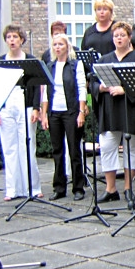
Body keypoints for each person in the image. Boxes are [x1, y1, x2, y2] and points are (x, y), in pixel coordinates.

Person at [92, 21, 135, 210]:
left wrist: (124, 89)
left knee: (132, 148)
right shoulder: (104, 59)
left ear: (129, 38)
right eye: (116, 35)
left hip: (131, 110)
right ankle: (110, 189)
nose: (119, 38)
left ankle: (128, 187)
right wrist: (101, 87)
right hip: (109, 110)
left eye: (122, 35)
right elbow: (92, 83)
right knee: (108, 146)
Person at [0, 25, 43, 201]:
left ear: (21, 39)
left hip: (26, 106)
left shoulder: (30, 60)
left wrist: (36, 108)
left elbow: (37, 86)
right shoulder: (0, 61)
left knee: (28, 146)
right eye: (8, 37)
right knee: (9, 148)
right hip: (7, 106)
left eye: (15, 37)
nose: (12, 40)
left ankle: (33, 187)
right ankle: (12, 189)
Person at [39, 33, 87, 201]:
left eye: (60, 44)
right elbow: (45, 92)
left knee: (74, 150)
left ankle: (78, 187)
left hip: (71, 111)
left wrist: (81, 111)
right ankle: (59, 187)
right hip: (54, 112)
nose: (57, 47)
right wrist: (44, 114)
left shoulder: (75, 65)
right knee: (57, 150)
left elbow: (81, 89)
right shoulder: (50, 66)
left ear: (67, 46)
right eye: (55, 45)